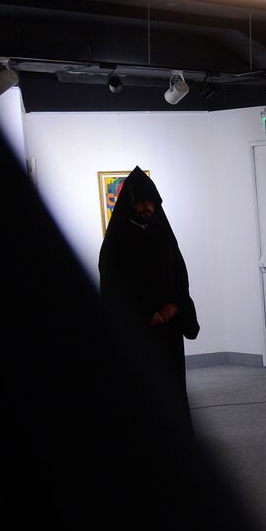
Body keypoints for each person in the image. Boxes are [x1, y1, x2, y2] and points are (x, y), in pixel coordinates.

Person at [98, 167, 200, 414]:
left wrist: (176, 306)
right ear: (130, 204)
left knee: (172, 388)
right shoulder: (116, 241)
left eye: (150, 201)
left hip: (168, 329)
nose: (146, 207)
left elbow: (180, 274)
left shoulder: (162, 234)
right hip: (137, 330)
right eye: (140, 202)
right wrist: (144, 314)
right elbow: (113, 286)